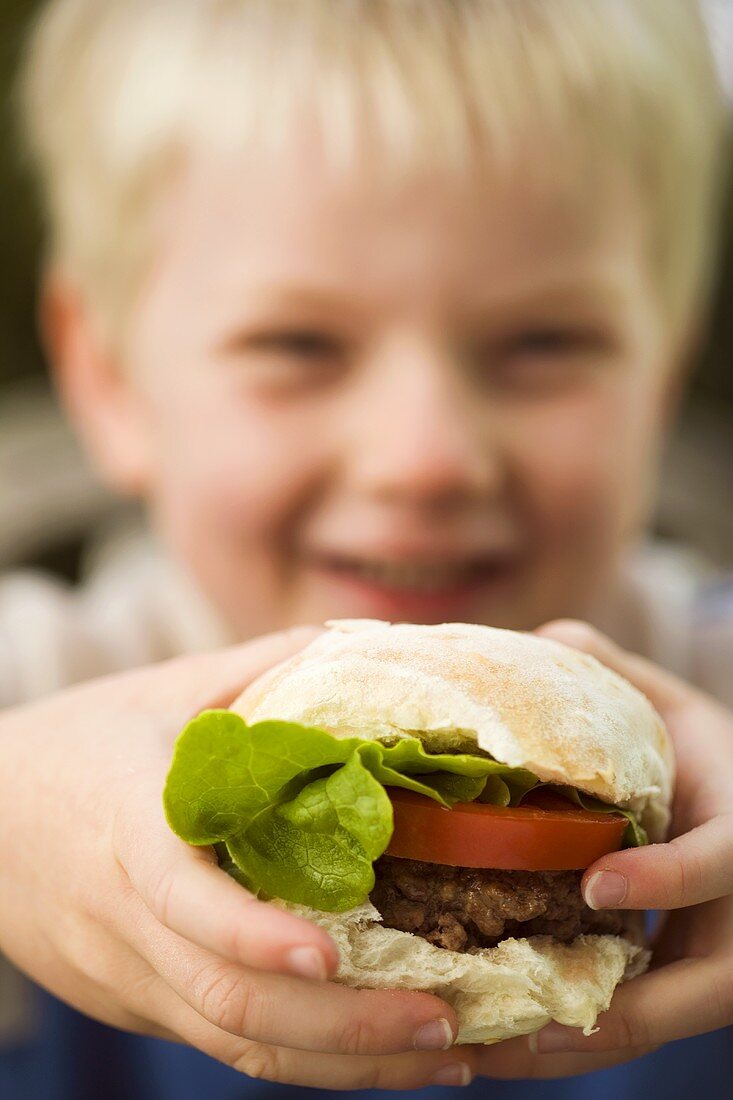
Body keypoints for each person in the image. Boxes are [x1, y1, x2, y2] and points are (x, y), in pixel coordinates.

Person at [0, 0, 731, 1096]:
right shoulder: (37, 677)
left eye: (542, 343)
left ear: (660, 369)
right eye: (297, 345)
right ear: (108, 378)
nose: (425, 457)